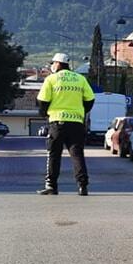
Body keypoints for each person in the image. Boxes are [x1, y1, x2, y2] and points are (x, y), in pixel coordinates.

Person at [36, 52, 95, 195]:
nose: (51, 66)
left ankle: (51, 186)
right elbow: (90, 99)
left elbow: (42, 101)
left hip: (58, 122)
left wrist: (45, 114)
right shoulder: (80, 79)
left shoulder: (51, 79)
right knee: (77, 155)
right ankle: (82, 186)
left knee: (53, 155)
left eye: (52, 64)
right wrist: (81, 112)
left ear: (57, 64)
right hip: (76, 123)